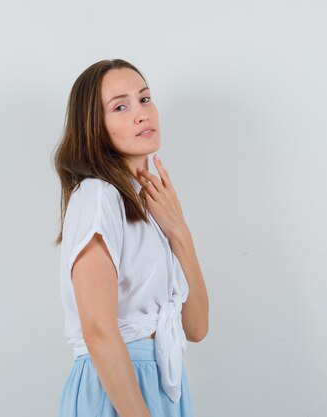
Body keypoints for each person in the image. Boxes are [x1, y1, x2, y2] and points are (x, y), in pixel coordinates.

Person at [52, 59, 209, 417]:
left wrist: (179, 231)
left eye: (145, 99)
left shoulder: (150, 207)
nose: (141, 114)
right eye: (120, 106)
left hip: (162, 384)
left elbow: (196, 327)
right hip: (117, 390)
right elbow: (98, 329)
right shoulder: (97, 196)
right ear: (94, 127)